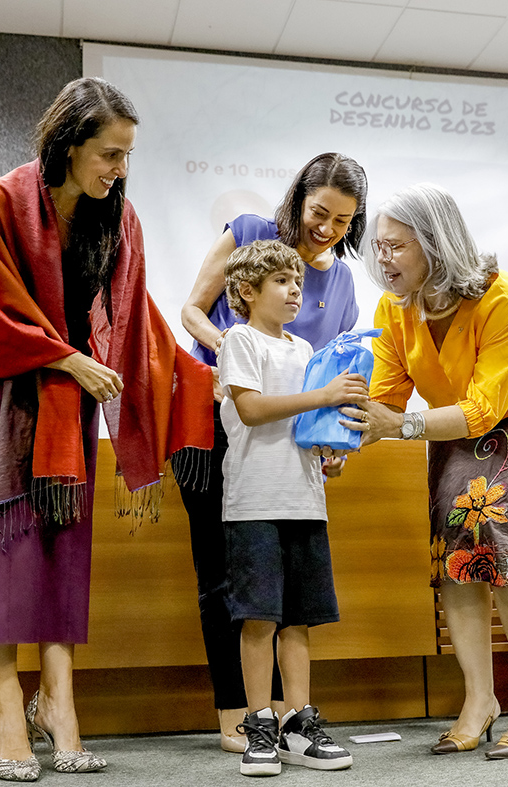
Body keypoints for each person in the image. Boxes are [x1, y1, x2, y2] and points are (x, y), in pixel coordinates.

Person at [0, 77, 212, 782]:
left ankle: (58, 702)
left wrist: (195, 378)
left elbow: (134, 321)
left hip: (71, 389)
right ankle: (5, 702)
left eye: (127, 156)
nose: (120, 170)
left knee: (63, 542)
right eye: (109, 154)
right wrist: (69, 357)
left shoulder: (119, 218)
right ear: (67, 145)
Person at [345, 183, 508, 760]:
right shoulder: (393, 308)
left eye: (396, 247)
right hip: (448, 422)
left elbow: (484, 408)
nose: (383, 259)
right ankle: (479, 700)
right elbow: (386, 394)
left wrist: (399, 426)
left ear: (435, 243)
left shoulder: (500, 296)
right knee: (458, 557)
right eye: (378, 247)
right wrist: (342, 441)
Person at [179, 152, 367, 752]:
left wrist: (334, 439)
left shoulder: (340, 283)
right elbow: (190, 311)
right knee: (225, 577)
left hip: (292, 451)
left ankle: (290, 718)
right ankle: (239, 716)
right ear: (298, 199)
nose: (327, 228)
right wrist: (238, 352)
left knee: (291, 600)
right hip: (218, 421)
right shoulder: (252, 234)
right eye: (319, 212)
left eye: (342, 221)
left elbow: (328, 378)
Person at [216, 239, 366, 777]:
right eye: (280, 282)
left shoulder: (305, 352)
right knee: (258, 616)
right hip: (254, 501)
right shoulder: (239, 340)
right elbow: (252, 409)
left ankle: (297, 722)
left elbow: (305, 428)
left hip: (304, 500)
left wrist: (331, 452)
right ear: (247, 291)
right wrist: (324, 396)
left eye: (298, 282)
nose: (294, 291)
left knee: (298, 619)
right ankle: (258, 724)